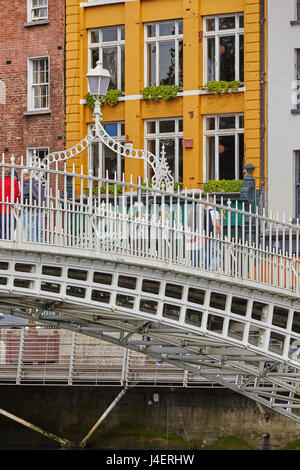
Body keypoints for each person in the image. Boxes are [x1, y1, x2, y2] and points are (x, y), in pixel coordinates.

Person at [187, 195, 221, 269]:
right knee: (207, 251)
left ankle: (194, 265)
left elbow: (189, 222)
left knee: (197, 250)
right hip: (204, 234)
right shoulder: (206, 212)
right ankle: (206, 267)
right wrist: (210, 233)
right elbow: (209, 224)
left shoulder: (193, 211)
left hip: (196, 234)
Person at [22, 171, 45, 243]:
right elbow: (42, 195)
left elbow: (25, 197)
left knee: (30, 229)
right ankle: (40, 244)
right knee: (39, 229)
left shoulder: (26, 184)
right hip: (40, 209)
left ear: (25, 176)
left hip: (30, 209)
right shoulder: (38, 184)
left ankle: (32, 244)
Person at [0, 171, 20, 240]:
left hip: (0, 210)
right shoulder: (14, 183)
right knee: (9, 231)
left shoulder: (0, 181)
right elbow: (15, 197)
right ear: (14, 177)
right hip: (9, 211)